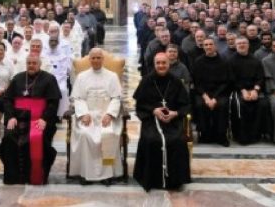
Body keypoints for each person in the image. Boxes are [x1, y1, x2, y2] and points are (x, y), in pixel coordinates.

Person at [0, 54, 62, 185]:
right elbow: (8, 100)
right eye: (29, 63)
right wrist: (11, 117)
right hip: (18, 119)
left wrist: (45, 119)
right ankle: (13, 177)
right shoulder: (17, 78)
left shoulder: (49, 79)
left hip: (39, 120)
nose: (31, 65)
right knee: (9, 137)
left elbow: (53, 103)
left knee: (37, 138)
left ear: (40, 64)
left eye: (34, 63)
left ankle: (35, 176)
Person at [133, 52, 191, 192]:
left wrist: (175, 113)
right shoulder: (146, 81)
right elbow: (140, 105)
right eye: (158, 63)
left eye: (163, 63)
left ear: (168, 64)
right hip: (151, 120)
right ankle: (151, 179)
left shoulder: (176, 82)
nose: (161, 65)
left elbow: (186, 105)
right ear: (154, 64)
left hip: (173, 121)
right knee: (152, 140)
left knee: (177, 141)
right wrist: (153, 110)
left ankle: (175, 180)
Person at [69, 48, 123, 183]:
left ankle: (107, 174)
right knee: (84, 134)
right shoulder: (82, 77)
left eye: (98, 58)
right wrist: (84, 114)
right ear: (89, 60)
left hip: (106, 116)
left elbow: (116, 98)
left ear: (103, 59)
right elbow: (78, 98)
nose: (96, 60)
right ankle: (86, 173)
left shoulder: (112, 76)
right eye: (93, 58)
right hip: (88, 116)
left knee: (108, 134)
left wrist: (110, 114)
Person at [191, 38, 231, 146]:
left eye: (210, 44)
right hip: (203, 93)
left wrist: (214, 98)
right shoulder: (198, 62)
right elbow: (197, 83)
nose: (208, 47)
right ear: (203, 47)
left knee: (222, 105)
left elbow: (226, 82)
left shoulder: (224, 61)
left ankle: (221, 136)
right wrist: (206, 98)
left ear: (215, 46)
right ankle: (205, 135)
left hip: (220, 92)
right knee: (200, 105)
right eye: (206, 45)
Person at [228, 38, 265, 145]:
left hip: (254, 89)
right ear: (235, 46)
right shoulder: (231, 61)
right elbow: (232, 79)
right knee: (240, 105)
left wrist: (255, 90)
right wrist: (243, 90)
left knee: (262, 104)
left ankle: (256, 135)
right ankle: (241, 137)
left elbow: (260, 77)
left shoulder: (255, 60)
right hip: (237, 89)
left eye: (244, 43)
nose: (242, 45)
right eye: (239, 43)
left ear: (248, 45)